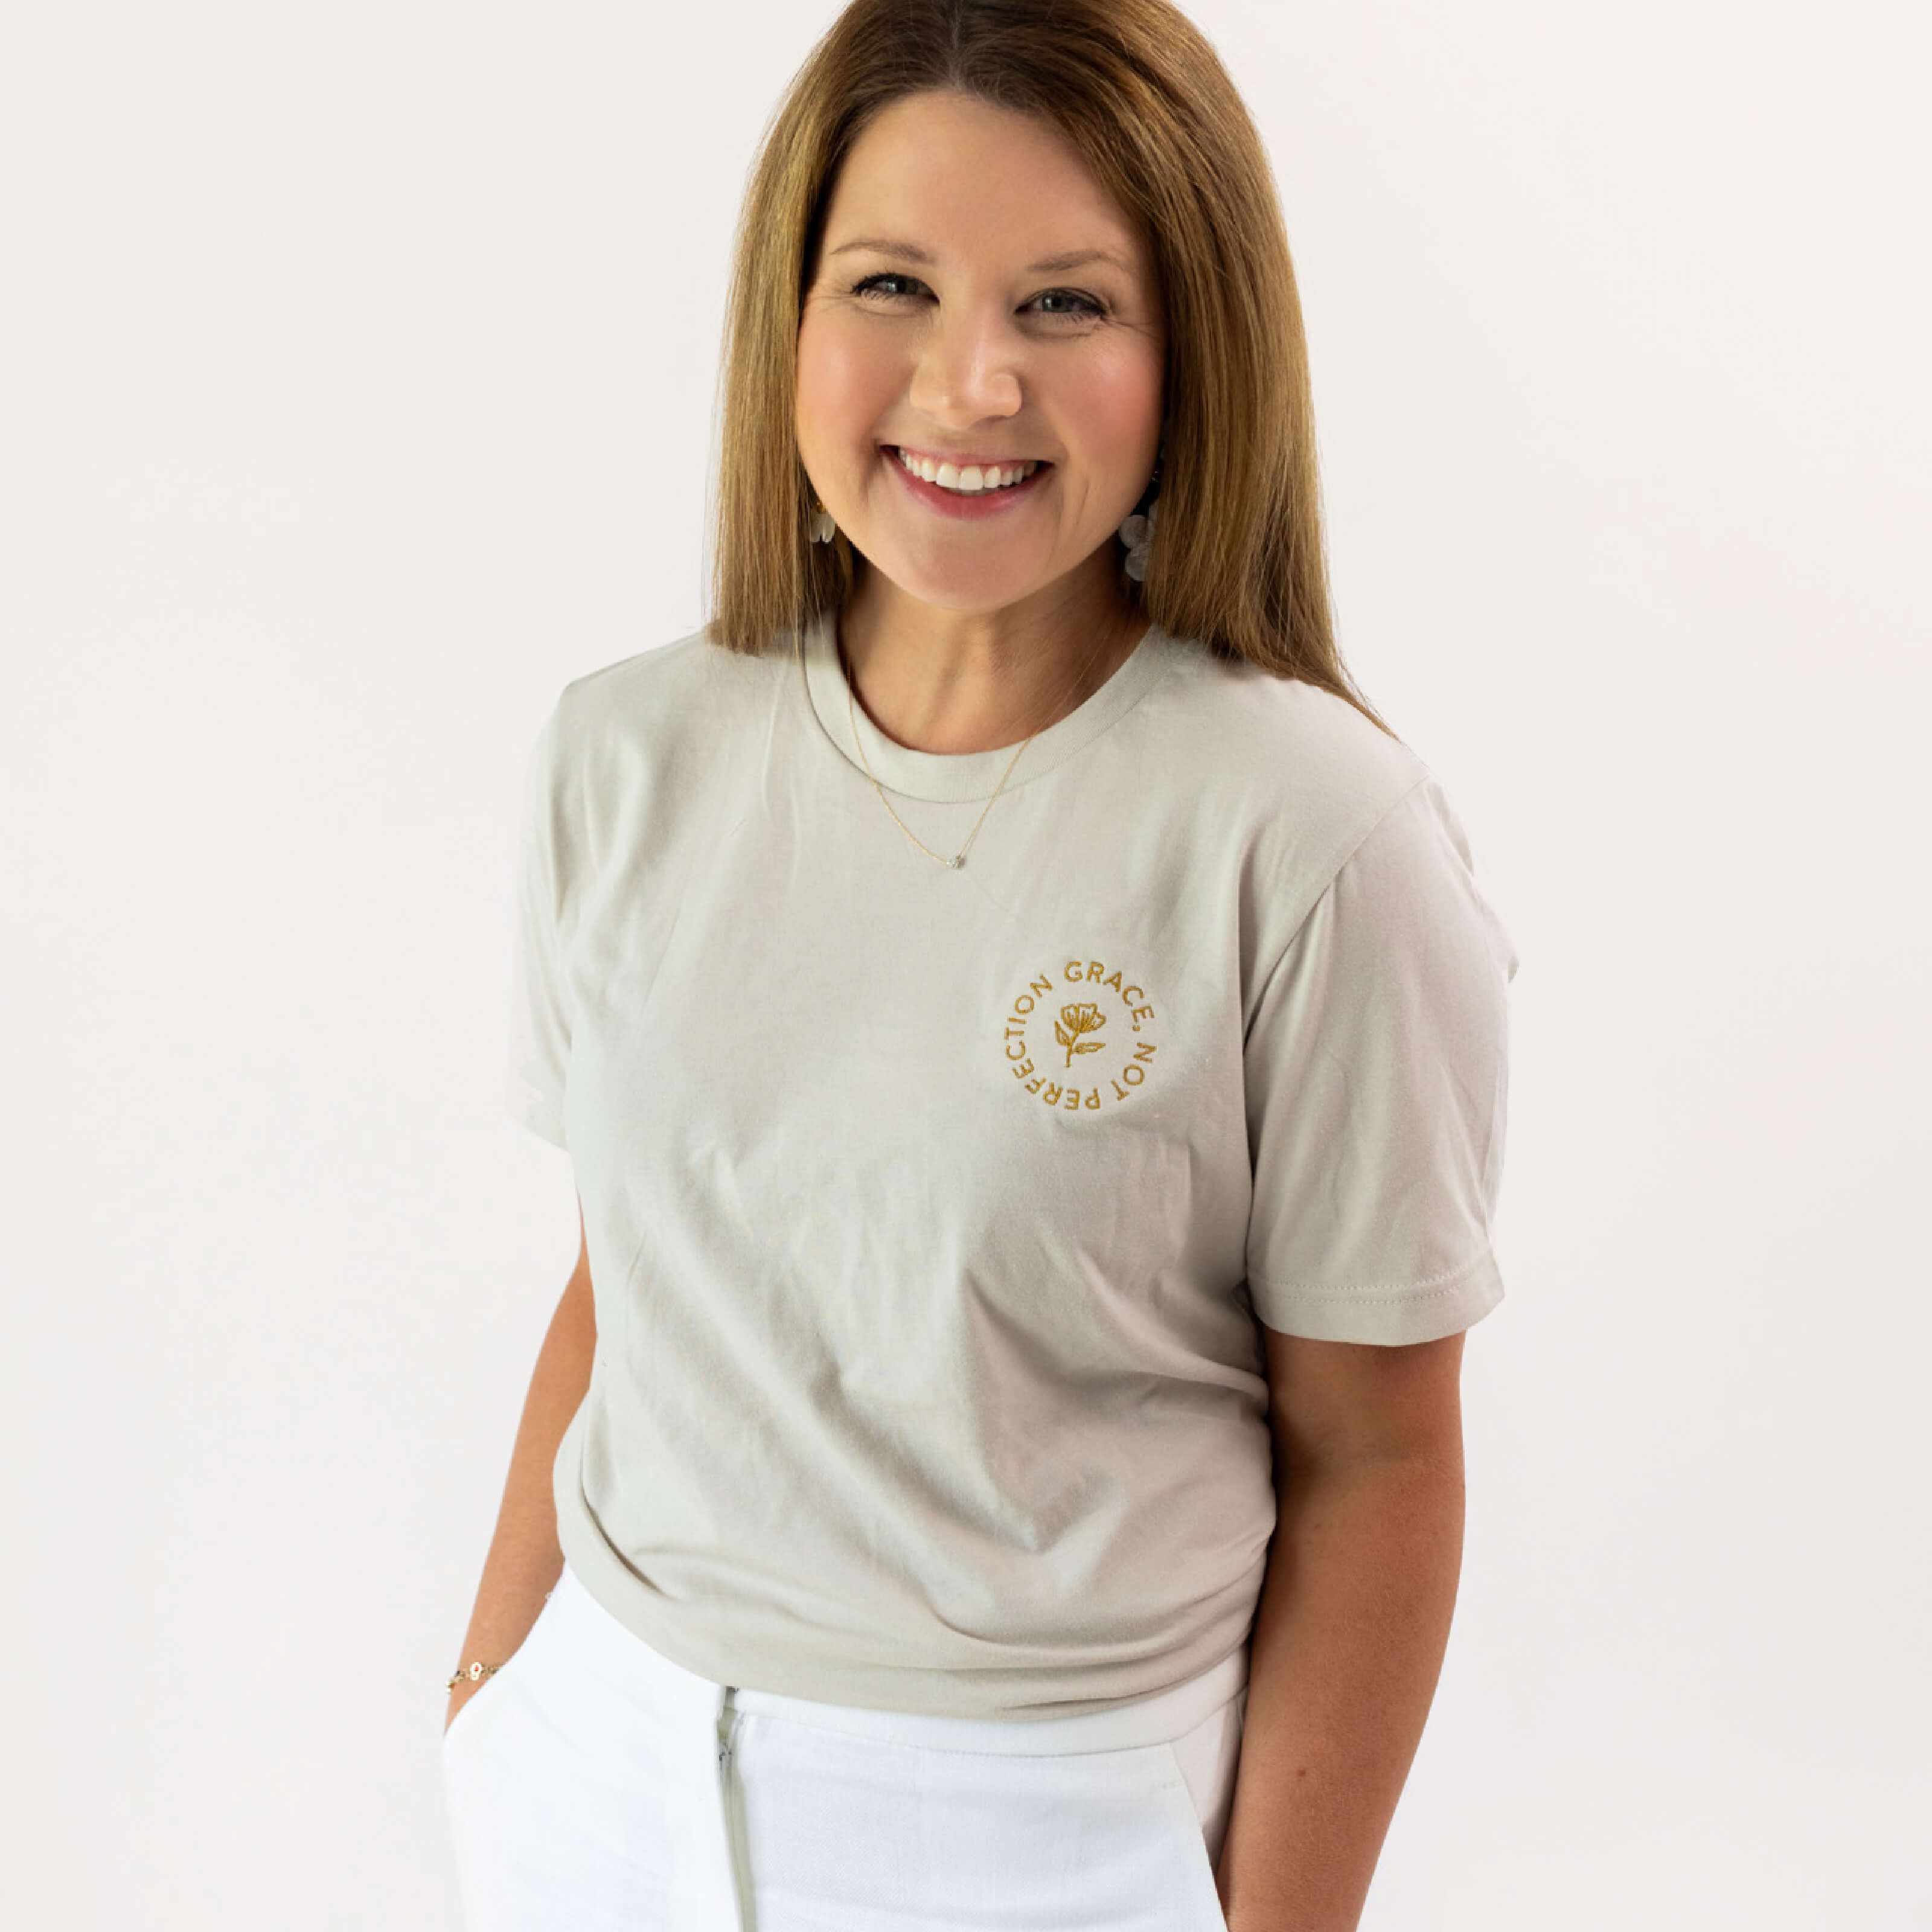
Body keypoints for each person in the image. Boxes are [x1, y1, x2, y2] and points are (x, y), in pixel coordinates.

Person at [440, 1, 1517, 1927]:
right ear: (790, 317)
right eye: (894, 286)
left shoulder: (1314, 835)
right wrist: (490, 1694)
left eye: (1067, 306)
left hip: (1031, 1828)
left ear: (1194, 352)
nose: (969, 384)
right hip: (595, 1777)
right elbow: (625, 1284)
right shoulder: (623, 757)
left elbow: (1377, 1455)